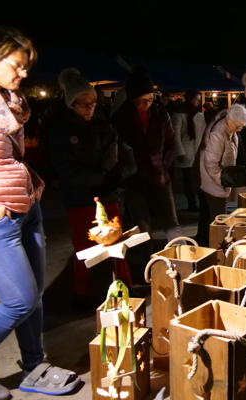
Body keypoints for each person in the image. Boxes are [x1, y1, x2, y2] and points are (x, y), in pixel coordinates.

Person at [0, 26, 80, 400]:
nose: (24, 74)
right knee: (19, 300)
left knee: (35, 297)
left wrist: (34, 184)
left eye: (27, 67)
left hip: (26, 209)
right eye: (19, 65)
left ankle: (33, 366)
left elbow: (9, 158)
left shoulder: (6, 100)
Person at [49, 68, 136, 307]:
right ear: (70, 104)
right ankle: (81, 293)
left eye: (93, 103)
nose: (89, 108)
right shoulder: (60, 131)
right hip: (80, 198)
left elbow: (127, 155)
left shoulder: (105, 125)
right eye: (83, 104)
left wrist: (118, 176)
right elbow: (67, 171)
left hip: (108, 194)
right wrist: (101, 178)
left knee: (117, 243)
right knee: (85, 246)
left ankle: (125, 286)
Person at [111, 66, 182, 282]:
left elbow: (172, 143)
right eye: (143, 100)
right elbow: (116, 152)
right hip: (135, 183)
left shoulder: (160, 113)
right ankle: (147, 271)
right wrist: (125, 173)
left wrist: (164, 163)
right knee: (143, 228)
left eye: (150, 99)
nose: (147, 104)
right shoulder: (121, 118)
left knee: (172, 223)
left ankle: (182, 264)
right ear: (132, 98)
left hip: (160, 178)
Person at [195, 104, 246, 246]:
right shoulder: (219, 132)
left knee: (208, 214)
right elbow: (211, 163)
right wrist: (222, 181)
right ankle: (218, 247)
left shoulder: (229, 128)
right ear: (229, 120)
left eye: (242, 127)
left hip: (212, 177)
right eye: (238, 126)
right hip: (211, 179)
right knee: (219, 217)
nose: (239, 129)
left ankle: (205, 242)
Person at [172, 90, 206, 211]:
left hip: (197, 151)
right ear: (190, 99)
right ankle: (191, 203)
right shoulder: (179, 115)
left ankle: (199, 202)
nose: (198, 102)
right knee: (189, 180)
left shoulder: (199, 115)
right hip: (186, 151)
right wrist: (180, 152)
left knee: (198, 179)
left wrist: (204, 149)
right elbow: (175, 135)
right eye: (196, 99)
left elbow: (203, 133)